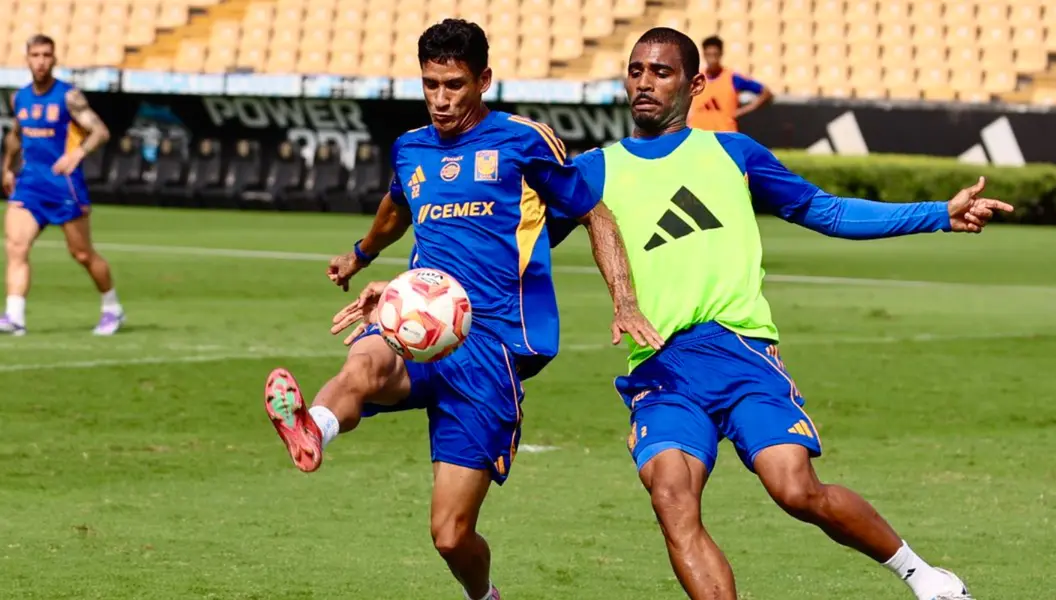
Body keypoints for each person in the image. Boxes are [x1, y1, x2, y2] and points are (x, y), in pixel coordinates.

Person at [560, 27, 1014, 600]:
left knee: (795, 488)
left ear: (695, 84)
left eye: (661, 71)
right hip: (661, 366)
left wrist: (938, 215)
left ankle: (924, 576)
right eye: (636, 70)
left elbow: (826, 211)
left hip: (740, 352)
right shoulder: (593, 169)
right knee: (672, 496)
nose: (644, 82)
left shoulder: (733, 153)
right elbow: (524, 244)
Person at [261, 20, 660, 600]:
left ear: (483, 80)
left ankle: (484, 596)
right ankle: (313, 429)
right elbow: (397, 205)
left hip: (491, 345)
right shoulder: (411, 148)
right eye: (430, 85)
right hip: (417, 317)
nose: (441, 99)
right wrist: (361, 256)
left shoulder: (524, 141)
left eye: (454, 85)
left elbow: (594, 213)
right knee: (363, 363)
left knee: (450, 536)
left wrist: (624, 300)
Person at [1, 34, 122, 336]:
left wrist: (77, 154)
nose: (41, 62)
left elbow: (100, 131)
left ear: (54, 59)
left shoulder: (69, 97)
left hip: (64, 186)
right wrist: (7, 167)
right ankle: (14, 316)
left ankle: (112, 307)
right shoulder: (20, 97)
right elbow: (16, 134)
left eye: (46, 55)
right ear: (27, 59)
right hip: (29, 185)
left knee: (82, 254)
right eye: (35, 56)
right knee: (16, 247)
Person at [686, 35, 773, 133]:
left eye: (715, 54)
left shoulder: (733, 78)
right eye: (709, 55)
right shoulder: (696, 78)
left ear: (721, 54)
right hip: (699, 134)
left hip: (725, 134)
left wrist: (742, 111)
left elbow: (766, 92)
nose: (712, 59)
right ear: (704, 55)